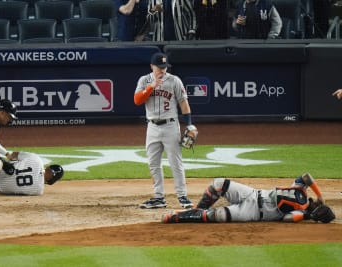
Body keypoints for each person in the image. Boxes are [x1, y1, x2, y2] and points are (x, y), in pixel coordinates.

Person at [134, 52, 195, 209]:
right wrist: (150, 87)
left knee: (176, 163)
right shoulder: (144, 80)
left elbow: (183, 104)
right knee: (153, 163)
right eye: (159, 67)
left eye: (165, 67)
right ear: (151, 67)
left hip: (170, 126)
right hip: (152, 127)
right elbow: (137, 100)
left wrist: (189, 124)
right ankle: (159, 197)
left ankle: (182, 196)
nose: (162, 70)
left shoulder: (174, 81)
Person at [162, 172, 335, 223]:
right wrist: (320, 196)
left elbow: (288, 218)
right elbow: (306, 176)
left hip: (252, 212)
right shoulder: (301, 191)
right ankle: (198, 210)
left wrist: (307, 215)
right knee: (218, 184)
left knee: (219, 216)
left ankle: (176, 217)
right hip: (252, 193)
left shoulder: (301, 212)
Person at [0, 152, 64, 196]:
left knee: (17, 161)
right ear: (52, 180)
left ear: (48, 167)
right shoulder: (39, 191)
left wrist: (11, 162)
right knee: (17, 189)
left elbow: (14, 155)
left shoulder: (37, 160)